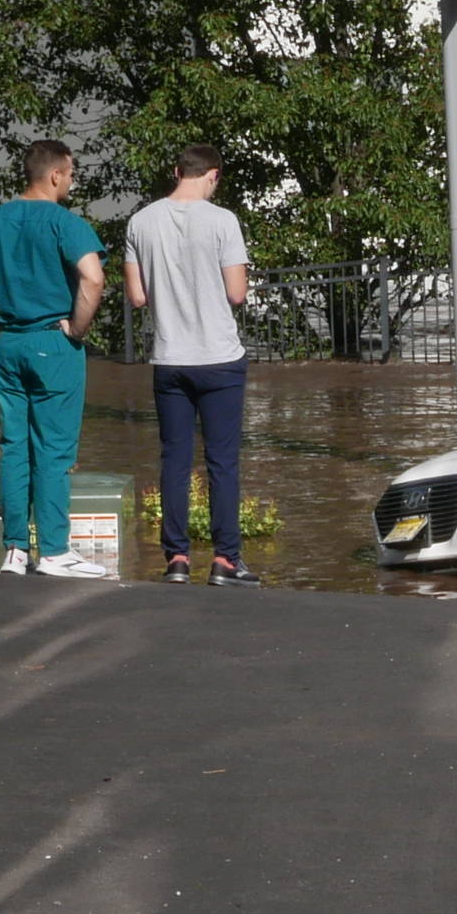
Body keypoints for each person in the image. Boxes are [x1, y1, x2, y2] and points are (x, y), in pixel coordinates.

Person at [0, 140, 110, 579]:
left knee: (14, 447)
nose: (71, 181)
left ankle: (15, 551)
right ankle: (54, 550)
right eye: (70, 174)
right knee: (53, 450)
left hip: (9, 345)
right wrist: (77, 328)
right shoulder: (64, 222)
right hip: (53, 342)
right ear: (55, 175)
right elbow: (93, 279)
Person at [125, 144, 260, 585]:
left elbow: (138, 296)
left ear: (176, 170)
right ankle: (225, 560)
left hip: (169, 358)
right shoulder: (224, 221)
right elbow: (237, 293)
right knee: (222, 462)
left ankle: (176, 559)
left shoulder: (140, 222)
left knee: (175, 461)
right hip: (219, 358)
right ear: (213, 176)